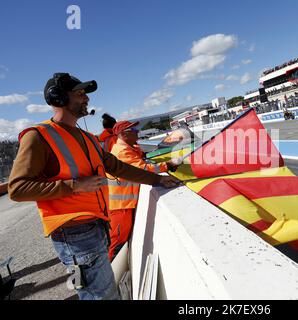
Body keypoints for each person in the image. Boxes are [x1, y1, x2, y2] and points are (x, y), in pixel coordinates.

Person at [7, 73, 179, 300]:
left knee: (103, 294)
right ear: (58, 98)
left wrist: (157, 180)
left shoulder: (88, 138)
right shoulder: (38, 137)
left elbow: (117, 167)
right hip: (74, 234)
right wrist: (74, 186)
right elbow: (17, 189)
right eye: (79, 93)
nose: (86, 98)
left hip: (98, 226)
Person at [107, 120, 179, 261]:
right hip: (120, 208)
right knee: (116, 243)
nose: (137, 132)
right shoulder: (122, 151)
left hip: (124, 205)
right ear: (123, 134)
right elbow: (142, 169)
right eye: (133, 130)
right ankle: (109, 276)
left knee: (119, 242)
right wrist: (168, 165)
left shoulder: (126, 148)